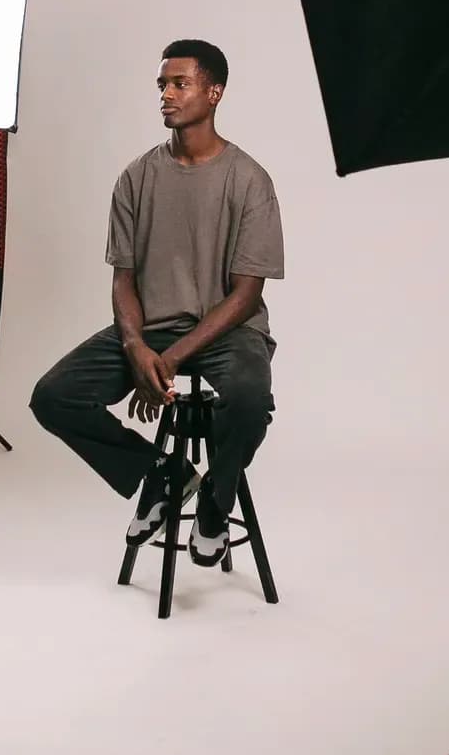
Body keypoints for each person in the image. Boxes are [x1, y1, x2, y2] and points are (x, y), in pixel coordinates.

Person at [30, 40, 284, 567]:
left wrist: (167, 362)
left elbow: (245, 296)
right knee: (54, 396)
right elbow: (124, 278)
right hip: (152, 330)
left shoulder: (250, 181)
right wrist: (136, 345)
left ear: (214, 93)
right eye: (162, 85)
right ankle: (163, 474)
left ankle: (217, 500)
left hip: (227, 331)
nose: (166, 95)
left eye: (179, 84)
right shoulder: (136, 178)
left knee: (249, 397)